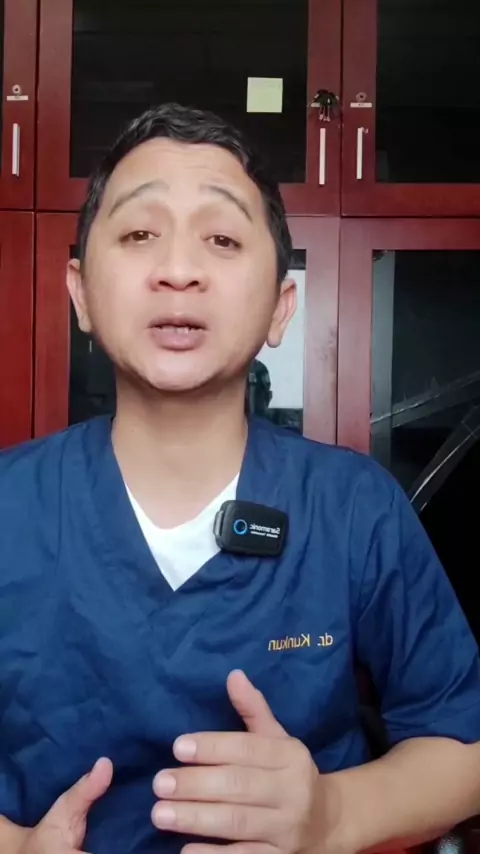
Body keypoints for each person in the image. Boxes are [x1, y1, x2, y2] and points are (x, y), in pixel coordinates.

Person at [1, 103, 480, 854]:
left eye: (222, 239)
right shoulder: (11, 506)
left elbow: (462, 743)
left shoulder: (354, 508)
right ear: (81, 292)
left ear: (282, 308)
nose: (179, 270)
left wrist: (334, 816)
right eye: (139, 234)